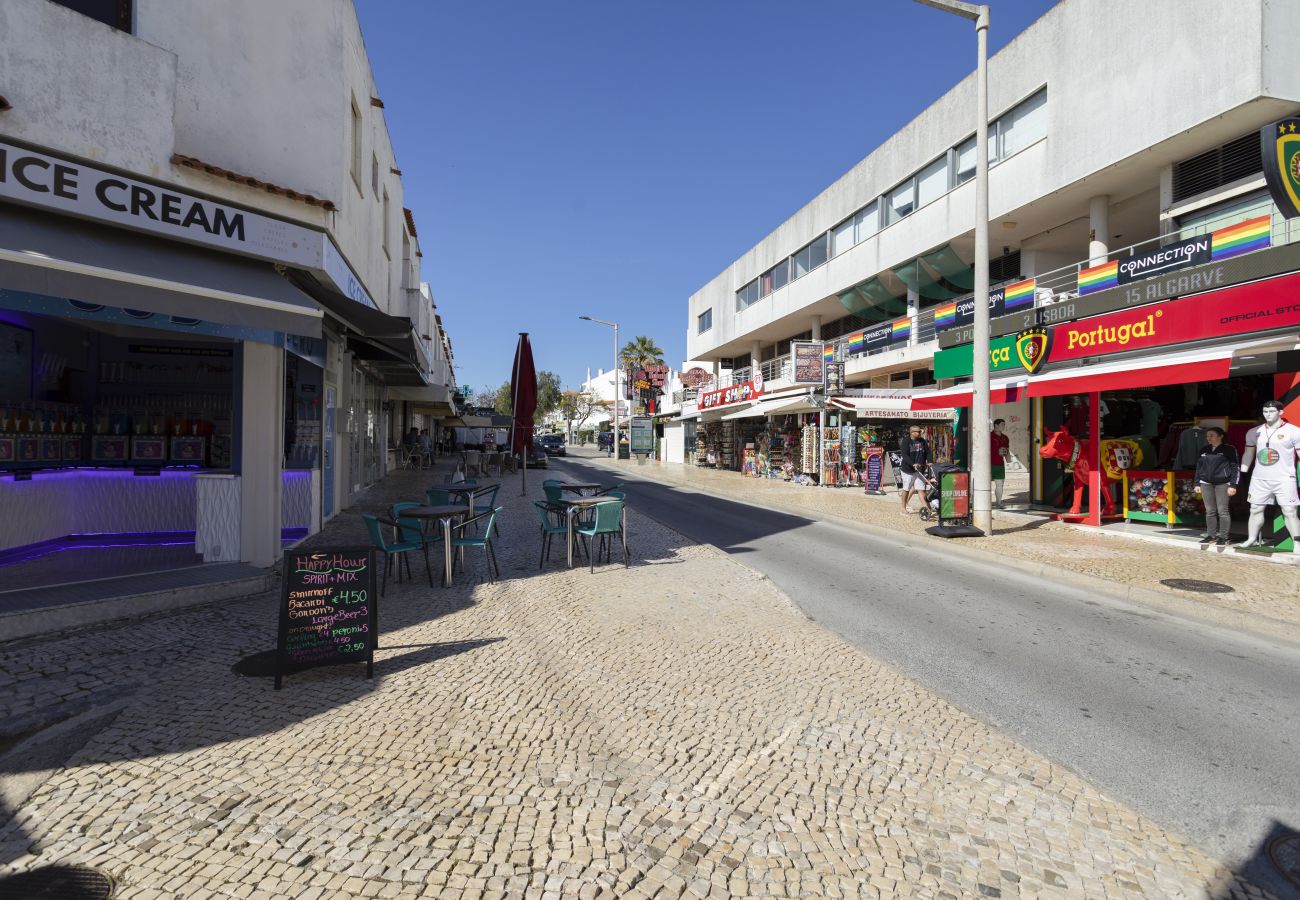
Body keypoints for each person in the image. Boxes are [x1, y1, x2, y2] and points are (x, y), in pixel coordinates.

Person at [1239, 400, 1300, 553]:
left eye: (1271, 411)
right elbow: (1248, 453)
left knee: (1290, 511)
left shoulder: (1294, 431)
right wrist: (1244, 470)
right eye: (1265, 411)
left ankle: (1297, 543)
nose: (1267, 414)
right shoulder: (1254, 432)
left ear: (1281, 412)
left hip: (1284, 478)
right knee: (1255, 508)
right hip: (1259, 478)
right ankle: (1251, 538)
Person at [1192, 426, 1238, 546]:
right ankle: (1211, 535)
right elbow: (1199, 467)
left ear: (1220, 436)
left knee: (1223, 511)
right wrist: (1197, 483)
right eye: (1207, 436)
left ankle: (1223, 537)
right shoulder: (1203, 450)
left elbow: (1235, 467)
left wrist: (1233, 485)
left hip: (1223, 483)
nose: (1209, 438)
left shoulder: (1229, 449)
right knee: (1210, 511)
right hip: (1206, 483)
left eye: (1211, 435)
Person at [897, 424, 930, 514]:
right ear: (912, 433)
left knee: (921, 489)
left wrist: (930, 461)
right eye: (918, 431)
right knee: (906, 489)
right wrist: (912, 464)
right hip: (908, 470)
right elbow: (904, 455)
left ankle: (926, 507)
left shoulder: (922, 441)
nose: (920, 433)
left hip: (920, 469)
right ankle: (903, 508)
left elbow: (928, 452)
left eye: (920, 431)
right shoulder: (906, 441)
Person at [990, 418, 1010, 508]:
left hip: (1000, 464)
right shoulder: (989, 436)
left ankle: (999, 503)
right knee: (986, 484)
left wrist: (1008, 459)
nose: (1004, 426)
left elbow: (1007, 449)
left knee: (1000, 484)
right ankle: (985, 503)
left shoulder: (1005, 438)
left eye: (1004, 425)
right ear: (996, 425)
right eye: (1002, 424)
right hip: (988, 465)